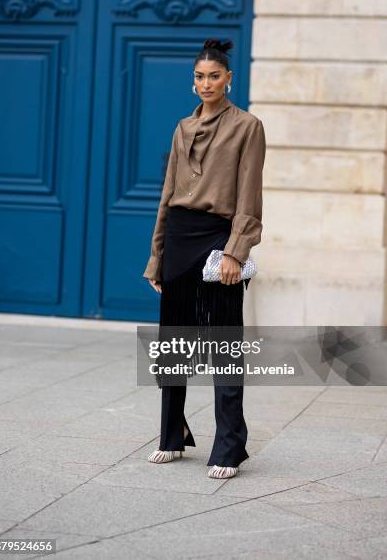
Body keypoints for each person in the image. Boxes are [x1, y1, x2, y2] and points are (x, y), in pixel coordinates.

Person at [142, 38, 266, 479]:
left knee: (223, 345)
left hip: (217, 239)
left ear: (229, 79)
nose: (206, 83)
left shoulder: (248, 127)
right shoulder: (181, 127)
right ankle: (172, 437)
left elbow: (250, 195)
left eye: (215, 75)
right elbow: (167, 196)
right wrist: (157, 257)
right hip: (179, 235)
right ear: (193, 81)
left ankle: (229, 447)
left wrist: (236, 250)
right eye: (200, 76)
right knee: (173, 344)